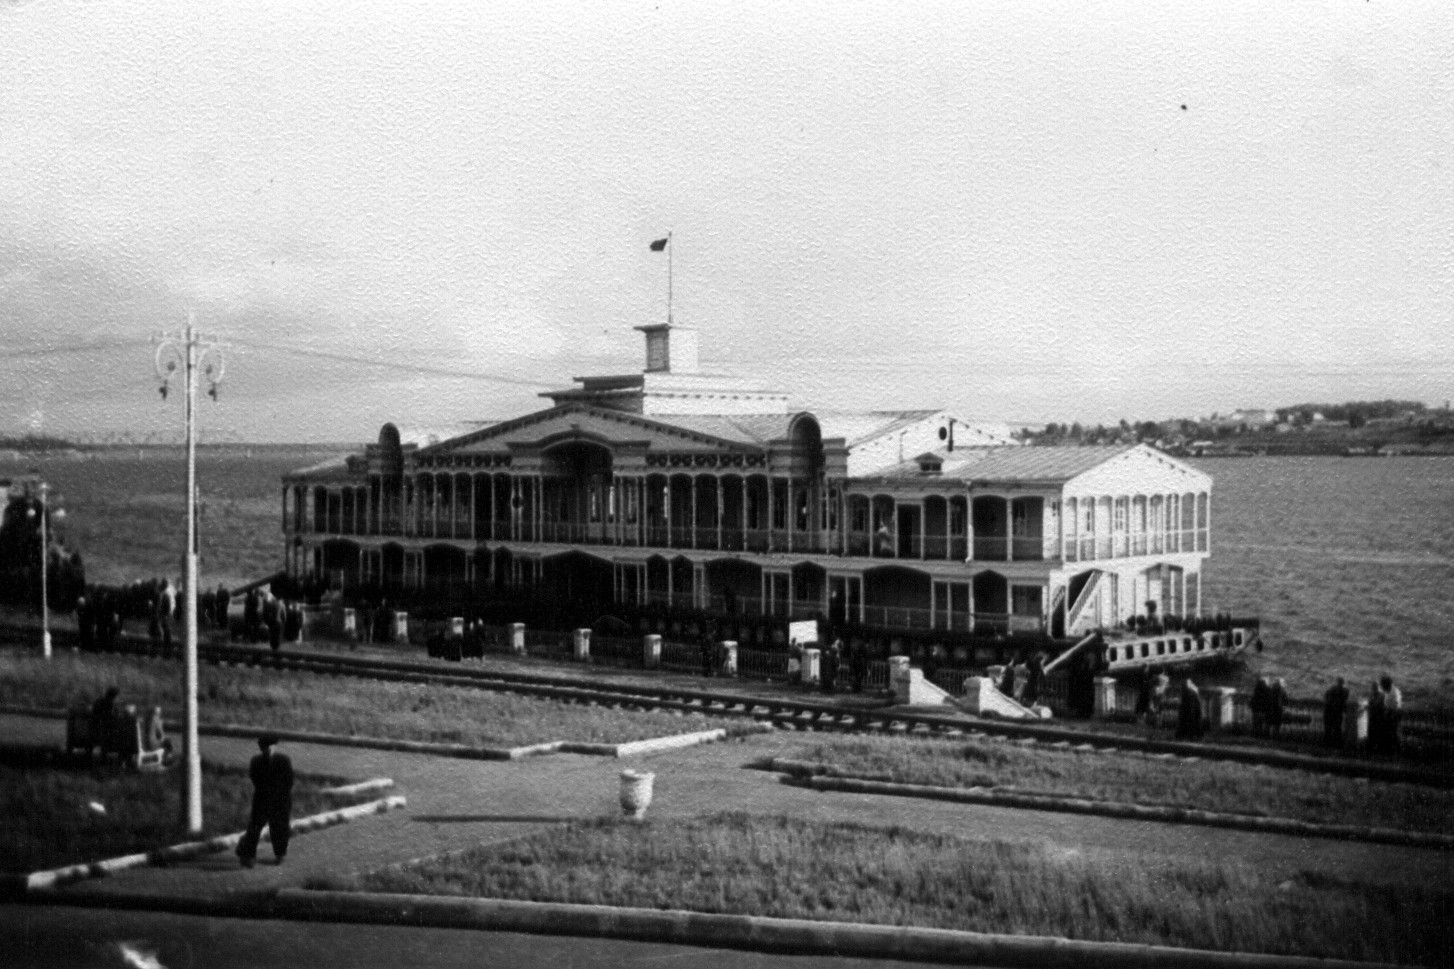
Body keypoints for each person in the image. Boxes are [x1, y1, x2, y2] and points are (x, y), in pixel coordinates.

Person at [236, 736, 294, 868]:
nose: (269, 749)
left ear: (275, 746)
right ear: (261, 748)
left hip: (281, 800)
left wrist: (280, 794)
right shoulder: (256, 761)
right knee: (254, 828)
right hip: (262, 799)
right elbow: (255, 778)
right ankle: (248, 856)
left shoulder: (283, 760)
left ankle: (280, 854)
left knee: (279, 828)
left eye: (271, 746)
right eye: (266, 747)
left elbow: (289, 780)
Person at [1322, 677, 1350, 748]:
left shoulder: (1334, 690)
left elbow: (1327, 697)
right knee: (1334, 728)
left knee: (1333, 728)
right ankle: (1333, 743)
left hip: (1333, 711)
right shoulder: (1342, 691)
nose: (1339, 684)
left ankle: (1330, 743)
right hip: (1333, 711)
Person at [1380, 674, 1403, 756]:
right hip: (1389, 714)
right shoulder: (1387, 691)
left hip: (1394, 714)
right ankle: (1389, 751)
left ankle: (1394, 752)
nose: (1382, 687)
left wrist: (1391, 712)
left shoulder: (1395, 692)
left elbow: (1397, 706)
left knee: (1393, 733)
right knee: (1389, 733)